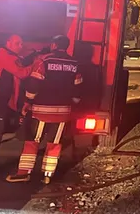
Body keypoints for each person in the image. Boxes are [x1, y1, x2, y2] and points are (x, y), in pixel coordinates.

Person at [6, 35, 83, 184]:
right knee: (54, 143)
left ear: (54, 45)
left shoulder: (44, 61)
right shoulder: (74, 64)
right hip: (63, 112)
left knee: (32, 141)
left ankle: (23, 173)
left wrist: (28, 101)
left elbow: (34, 84)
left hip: (41, 110)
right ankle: (48, 174)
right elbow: (78, 88)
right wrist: (73, 103)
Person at [0, 34, 33, 170]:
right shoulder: (4, 56)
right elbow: (21, 73)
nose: (20, 46)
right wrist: (35, 65)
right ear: (8, 43)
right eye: (17, 43)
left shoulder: (10, 56)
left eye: (21, 44)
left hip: (3, 101)